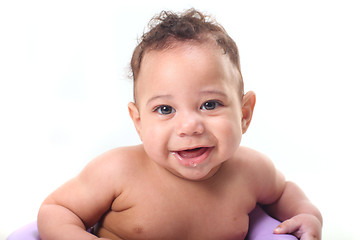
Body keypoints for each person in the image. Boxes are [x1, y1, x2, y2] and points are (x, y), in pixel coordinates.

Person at [37, 9, 322, 240]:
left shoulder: (250, 171)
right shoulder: (118, 171)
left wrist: (308, 215)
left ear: (244, 113)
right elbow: (56, 209)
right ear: (138, 121)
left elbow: (283, 191)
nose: (189, 126)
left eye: (210, 104)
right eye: (165, 109)